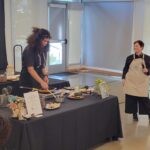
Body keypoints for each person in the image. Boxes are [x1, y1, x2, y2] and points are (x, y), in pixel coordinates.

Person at [122, 40, 150, 121]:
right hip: (131, 81)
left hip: (142, 82)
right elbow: (125, 69)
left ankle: (149, 113)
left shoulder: (148, 58)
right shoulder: (129, 58)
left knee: (144, 99)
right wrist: (123, 78)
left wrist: (147, 70)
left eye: (137, 46)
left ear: (141, 47)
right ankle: (134, 114)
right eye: (134, 46)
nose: (135, 47)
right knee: (131, 97)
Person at [19, 27, 51, 91]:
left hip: (37, 79)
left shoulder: (44, 48)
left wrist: (45, 76)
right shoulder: (29, 50)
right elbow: (30, 69)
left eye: (47, 41)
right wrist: (41, 82)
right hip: (28, 80)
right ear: (38, 40)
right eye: (44, 41)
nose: (46, 43)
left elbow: (43, 66)